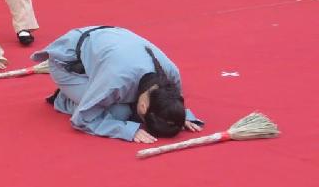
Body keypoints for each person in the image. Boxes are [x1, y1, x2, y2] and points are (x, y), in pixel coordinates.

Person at [32, 26, 203, 143]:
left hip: (106, 45)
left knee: (122, 106)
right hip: (68, 63)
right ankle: (63, 99)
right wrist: (125, 130)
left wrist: (178, 116)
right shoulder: (116, 81)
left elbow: (172, 100)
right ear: (143, 106)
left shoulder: (171, 75)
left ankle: (86, 93)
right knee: (119, 113)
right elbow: (82, 119)